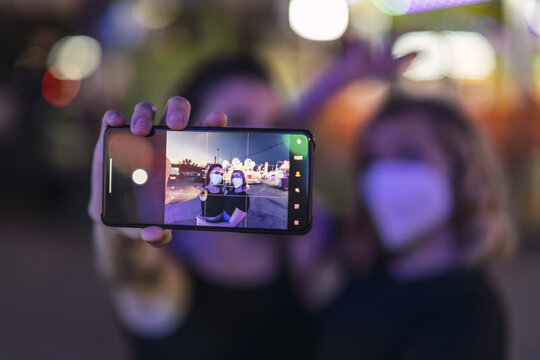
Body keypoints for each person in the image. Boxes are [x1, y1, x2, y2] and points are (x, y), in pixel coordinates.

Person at [313, 95, 516, 360]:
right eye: (372, 161)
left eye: (409, 156)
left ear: (460, 170)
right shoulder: (364, 275)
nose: (385, 176)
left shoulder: (470, 310)